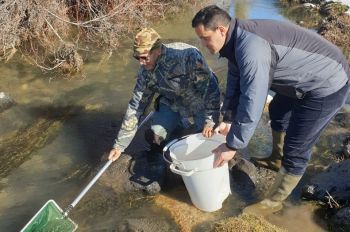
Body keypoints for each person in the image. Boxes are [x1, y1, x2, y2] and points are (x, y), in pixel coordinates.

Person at [192, 5, 350, 216]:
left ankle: (274, 202)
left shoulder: (252, 49)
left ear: (221, 30)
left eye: (205, 38)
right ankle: (277, 159)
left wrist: (233, 144)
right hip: (300, 78)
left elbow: (253, 100)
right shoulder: (235, 40)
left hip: (327, 83)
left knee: (297, 145)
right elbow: (235, 80)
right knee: (277, 109)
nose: (203, 44)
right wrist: (229, 118)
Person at [108, 28, 221, 175]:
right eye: (137, 58)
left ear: (158, 50)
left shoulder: (188, 56)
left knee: (204, 139)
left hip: (199, 101)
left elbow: (211, 89)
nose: (141, 63)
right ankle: (178, 135)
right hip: (172, 102)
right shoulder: (145, 73)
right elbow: (136, 107)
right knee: (156, 136)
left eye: (144, 57)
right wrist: (119, 145)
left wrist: (210, 120)